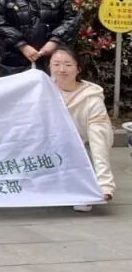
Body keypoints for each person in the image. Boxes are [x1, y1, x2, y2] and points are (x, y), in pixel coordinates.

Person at [50, 46, 114, 211]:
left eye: (68, 65)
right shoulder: (43, 90)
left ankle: (89, 188)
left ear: (78, 69)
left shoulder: (91, 99)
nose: (61, 69)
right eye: (56, 64)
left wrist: (105, 184)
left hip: (79, 148)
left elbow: (98, 141)